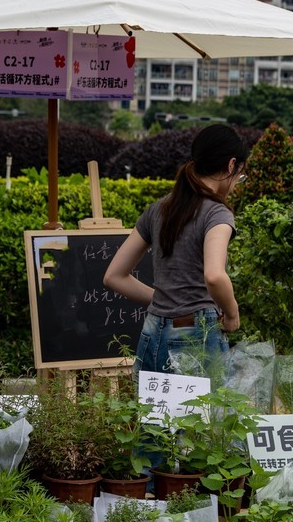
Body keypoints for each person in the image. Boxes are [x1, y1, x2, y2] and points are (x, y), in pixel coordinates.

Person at [103, 124, 245, 375]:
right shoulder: (217, 214)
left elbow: (114, 276)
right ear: (231, 165)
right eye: (240, 176)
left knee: (152, 402)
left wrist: (164, 299)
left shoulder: (158, 209)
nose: (236, 184)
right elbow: (214, 275)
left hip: (152, 330)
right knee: (209, 402)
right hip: (196, 334)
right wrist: (232, 314)